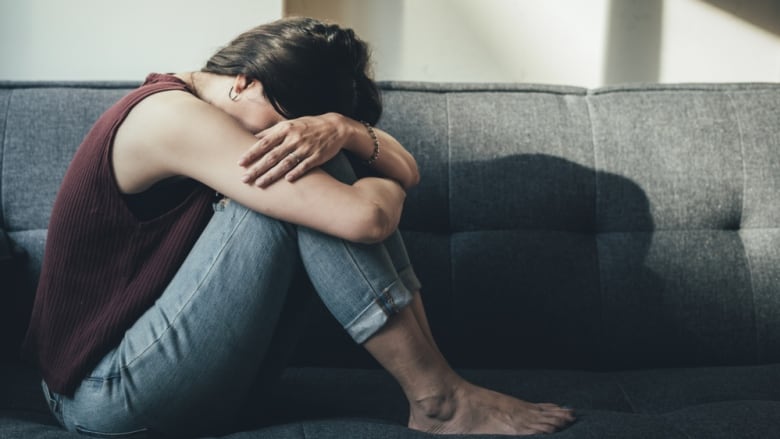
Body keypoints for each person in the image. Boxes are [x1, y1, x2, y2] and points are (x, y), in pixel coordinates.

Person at [22, 16, 575, 437]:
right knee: (309, 178)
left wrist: (345, 131)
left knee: (317, 168)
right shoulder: (168, 116)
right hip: (103, 393)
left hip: (185, 375)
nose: (293, 135)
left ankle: (440, 397)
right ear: (244, 82)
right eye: (289, 120)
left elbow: (407, 170)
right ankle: (439, 401)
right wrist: (356, 172)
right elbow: (367, 215)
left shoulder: (219, 107)